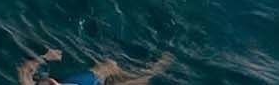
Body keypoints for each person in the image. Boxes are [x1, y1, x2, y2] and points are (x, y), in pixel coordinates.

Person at [18, 49, 173, 85]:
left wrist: (46, 57)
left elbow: (24, 70)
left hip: (77, 82)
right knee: (139, 81)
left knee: (110, 66)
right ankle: (158, 69)